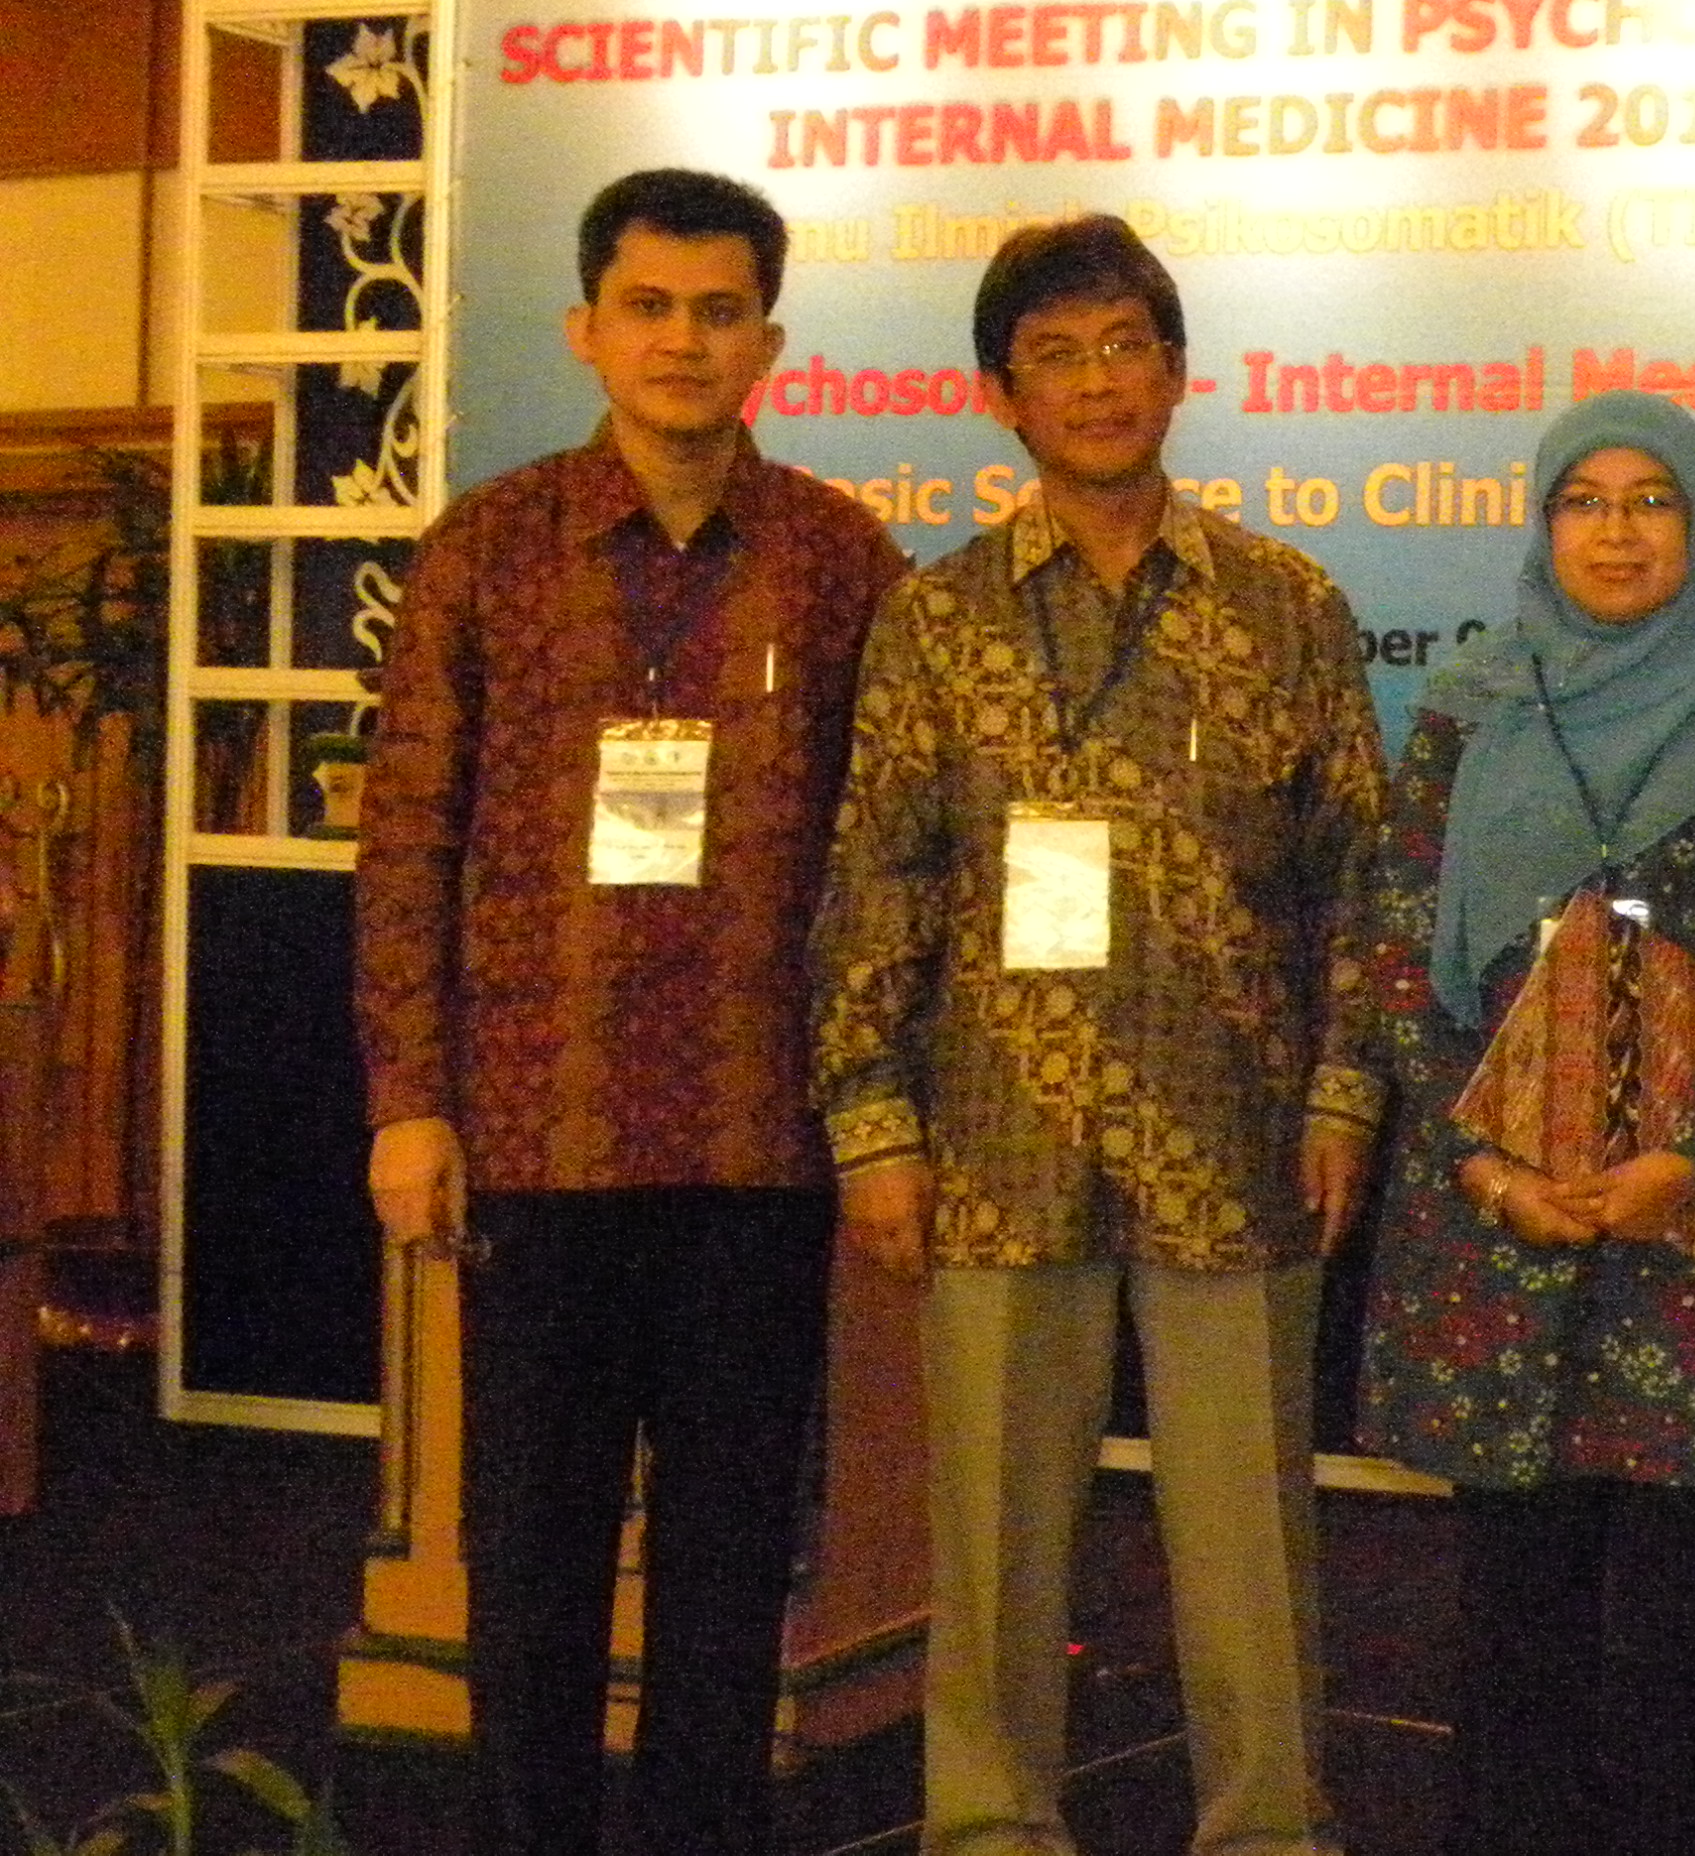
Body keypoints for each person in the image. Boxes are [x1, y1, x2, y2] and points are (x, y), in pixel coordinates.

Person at [808, 213, 1383, 1856]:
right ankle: (992, 1830)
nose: (1097, 382)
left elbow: (1360, 877)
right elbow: (879, 879)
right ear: (1001, 396)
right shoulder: (938, 620)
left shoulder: (1284, 606)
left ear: (1178, 372)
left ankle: (1266, 1830)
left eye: (1124, 344)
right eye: (1054, 355)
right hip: (998, 1139)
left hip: (1234, 1133)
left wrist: (1344, 1094)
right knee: (992, 1545)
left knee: (1250, 1540)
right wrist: (873, 1125)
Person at [356, 167, 909, 1856]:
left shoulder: (838, 559)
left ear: (770, 343)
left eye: (719, 311)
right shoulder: (489, 548)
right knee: (530, 1569)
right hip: (542, 1131)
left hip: (760, 1142)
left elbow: (893, 858)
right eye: (649, 308)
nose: (684, 341)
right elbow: (408, 836)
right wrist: (408, 1099)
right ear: (587, 329)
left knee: (732, 1580)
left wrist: (879, 1112)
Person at [1351, 391, 1695, 1856]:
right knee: (1513, 1605)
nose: (1617, 531)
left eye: (1651, 500)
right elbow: (1399, 943)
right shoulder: (1468, 706)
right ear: (1543, 525)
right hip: (1505, 1225)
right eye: (1583, 501)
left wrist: (1686, 1158)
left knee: (1692, 1610)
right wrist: (1481, 1160)